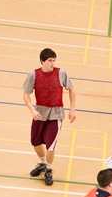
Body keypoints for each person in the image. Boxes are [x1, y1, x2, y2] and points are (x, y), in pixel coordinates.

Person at [23, 48, 76, 186]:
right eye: (49, 61)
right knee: (35, 142)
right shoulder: (33, 75)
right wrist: (32, 111)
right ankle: (42, 163)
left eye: (54, 60)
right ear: (42, 61)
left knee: (51, 146)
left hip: (56, 115)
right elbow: (25, 95)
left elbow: (71, 89)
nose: (52, 63)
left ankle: (49, 169)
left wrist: (72, 109)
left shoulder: (61, 73)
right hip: (40, 113)